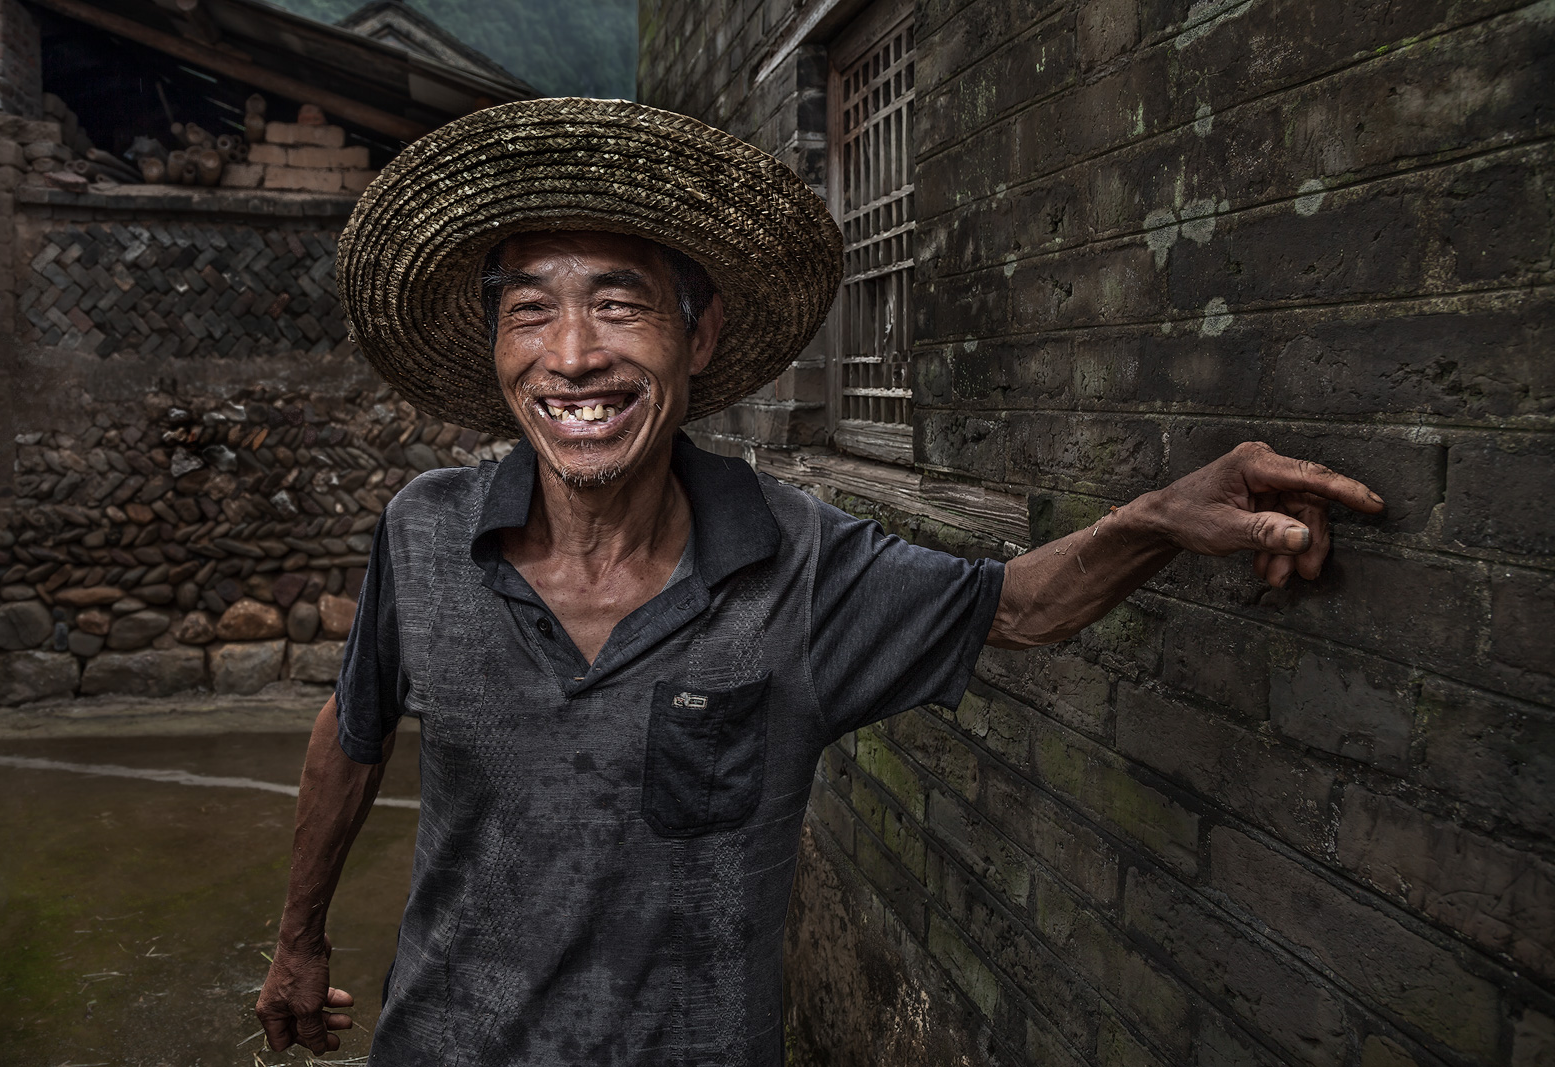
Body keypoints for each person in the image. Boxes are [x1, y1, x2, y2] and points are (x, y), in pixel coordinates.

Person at [255, 98, 1383, 1065]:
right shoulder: (424, 531)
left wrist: (1154, 519)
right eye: (531, 310)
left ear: (699, 338)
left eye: (620, 301)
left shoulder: (803, 560)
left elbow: (1020, 606)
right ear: (498, 350)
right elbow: (351, 732)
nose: (572, 355)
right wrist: (299, 936)